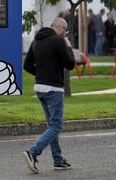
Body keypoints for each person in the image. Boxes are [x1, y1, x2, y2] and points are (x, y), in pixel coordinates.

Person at [22, 17, 76, 174]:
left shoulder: (37, 40)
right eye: (65, 31)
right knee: (56, 125)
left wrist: (41, 74)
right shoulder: (58, 41)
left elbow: (27, 65)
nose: (65, 34)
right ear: (61, 28)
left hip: (40, 87)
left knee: (51, 126)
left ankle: (58, 160)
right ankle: (33, 152)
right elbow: (70, 64)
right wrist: (69, 47)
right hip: (53, 88)